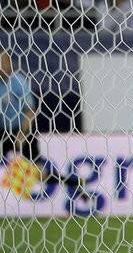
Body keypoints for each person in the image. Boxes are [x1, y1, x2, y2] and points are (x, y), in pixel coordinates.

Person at [0, 49, 88, 198]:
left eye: (4, 62)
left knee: (38, 174)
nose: (3, 65)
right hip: (3, 132)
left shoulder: (18, 81)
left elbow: (30, 111)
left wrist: (22, 135)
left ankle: (73, 182)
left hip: (22, 130)